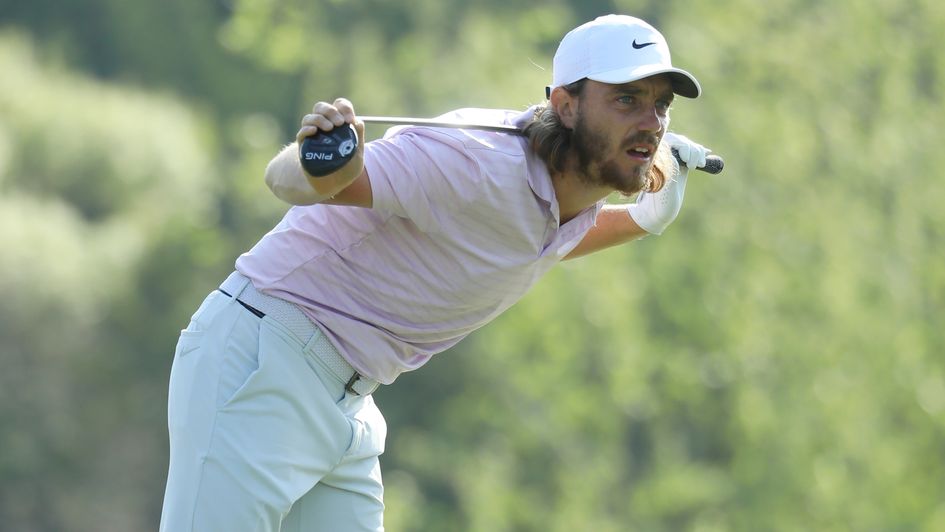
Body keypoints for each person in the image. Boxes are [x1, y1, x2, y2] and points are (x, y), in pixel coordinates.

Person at [160, 13, 711, 532]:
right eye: (627, 100)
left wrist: (642, 219)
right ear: (566, 105)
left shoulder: (572, 195)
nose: (651, 123)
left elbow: (528, 244)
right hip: (262, 361)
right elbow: (290, 183)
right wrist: (321, 153)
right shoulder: (471, 161)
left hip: (347, 401)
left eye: (660, 105)